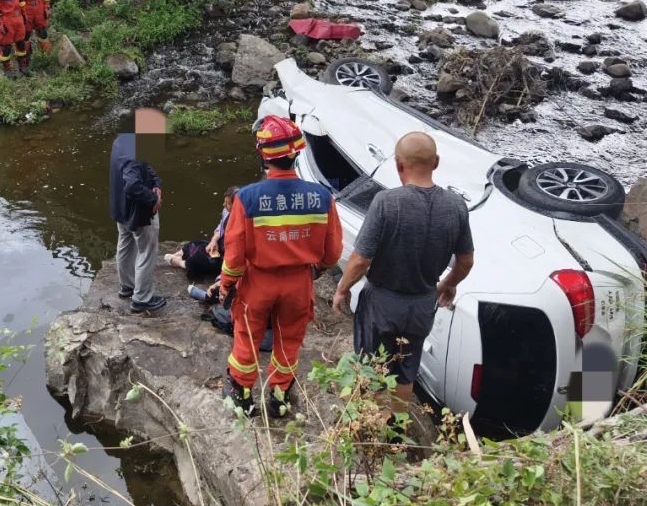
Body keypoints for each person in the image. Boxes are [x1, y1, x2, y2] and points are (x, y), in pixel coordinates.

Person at [332, 131, 475, 416]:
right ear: (436, 162)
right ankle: (396, 427)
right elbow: (466, 261)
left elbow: (361, 260)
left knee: (370, 365)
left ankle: (366, 424)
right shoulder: (456, 206)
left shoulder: (387, 202)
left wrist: (342, 288)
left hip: (382, 303)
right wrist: (447, 284)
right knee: (406, 370)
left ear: (399, 165)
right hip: (423, 303)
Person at [219, 116, 343, 418]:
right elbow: (333, 252)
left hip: (258, 281)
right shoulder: (321, 197)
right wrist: (315, 270)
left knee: (247, 337)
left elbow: (234, 252)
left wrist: (226, 284)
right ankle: (279, 397)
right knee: (289, 340)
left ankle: (243, 397)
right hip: (299, 282)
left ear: (263, 154)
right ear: (297, 153)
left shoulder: (247, 198)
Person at [109, 108, 167, 313]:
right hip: (139, 212)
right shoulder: (133, 151)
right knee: (147, 251)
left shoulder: (120, 142)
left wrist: (157, 182)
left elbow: (146, 167)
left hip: (120, 208)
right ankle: (141, 299)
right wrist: (153, 198)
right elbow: (132, 184)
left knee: (125, 245)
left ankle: (127, 286)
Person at [166, 185, 239, 280]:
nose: (224, 205)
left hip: (226, 257)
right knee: (194, 243)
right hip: (218, 247)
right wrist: (214, 241)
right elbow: (220, 228)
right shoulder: (226, 211)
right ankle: (180, 254)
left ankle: (180, 262)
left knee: (194, 262)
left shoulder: (242, 220)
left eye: (227, 203)